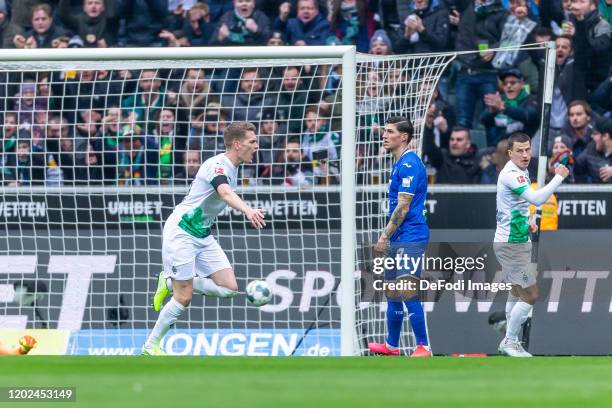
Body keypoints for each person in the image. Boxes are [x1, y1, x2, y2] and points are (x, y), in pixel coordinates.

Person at [142, 122, 266, 356]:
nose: (256, 146)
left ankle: (169, 282)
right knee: (184, 297)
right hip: (182, 232)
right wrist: (248, 210)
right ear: (237, 144)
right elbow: (224, 193)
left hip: (202, 234)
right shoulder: (217, 165)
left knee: (229, 289)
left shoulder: (234, 167)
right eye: (252, 142)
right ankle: (150, 346)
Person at [495, 132, 569, 357]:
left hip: (515, 239)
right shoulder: (511, 173)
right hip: (511, 244)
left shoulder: (521, 171)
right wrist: (558, 177)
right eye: (520, 150)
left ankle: (510, 341)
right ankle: (510, 340)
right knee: (531, 295)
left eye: (527, 150)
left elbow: (514, 204)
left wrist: (527, 221)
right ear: (510, 153)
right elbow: (536, 199)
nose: (525, 154)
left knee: (517, 293)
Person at [368, 116, 431, 358]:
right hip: (401, 235)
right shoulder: (399, 163)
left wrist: (384, 236)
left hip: (411, 233)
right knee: (392, 290)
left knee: (406, 288)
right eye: (384, 130)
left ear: (403, 136)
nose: (384, 135)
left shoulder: (409, 164)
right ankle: (392, 346)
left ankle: (424, 346)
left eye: (389, 131)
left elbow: (403, 207)